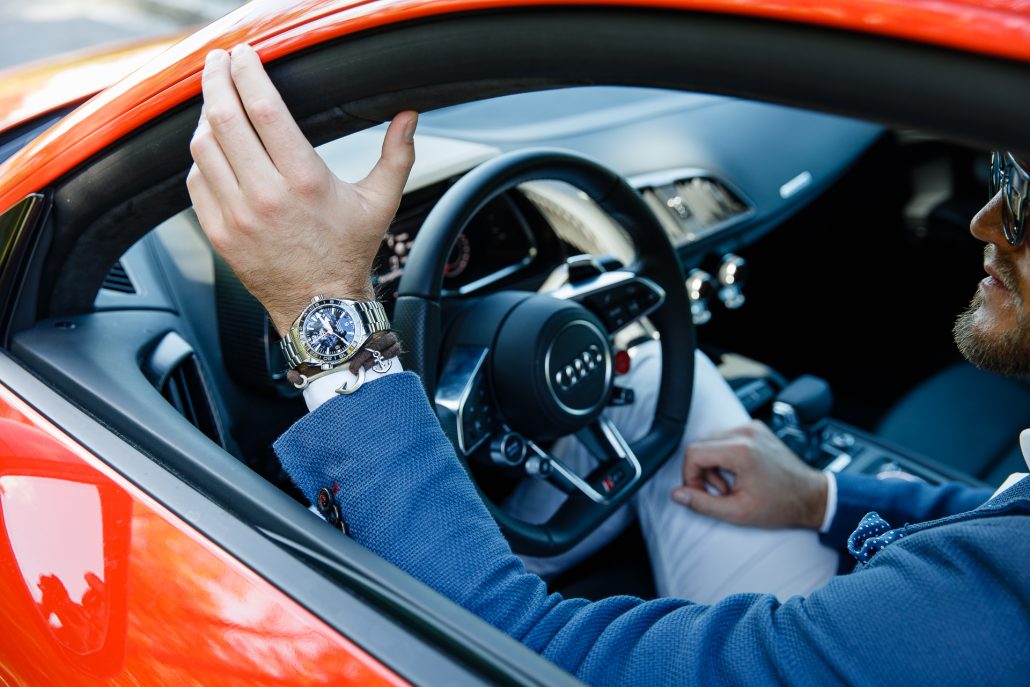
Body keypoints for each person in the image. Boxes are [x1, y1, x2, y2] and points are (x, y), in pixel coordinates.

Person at [188, 45, 1030, 684]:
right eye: (1002, 175)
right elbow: (988, 514)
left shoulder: (976, 610)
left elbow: (513, 650)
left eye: (1025, 198)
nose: (986, 221)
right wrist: (822, 496)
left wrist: (327, 312)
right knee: (661, 371)